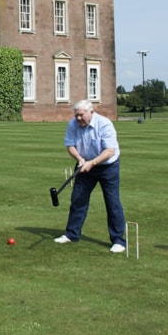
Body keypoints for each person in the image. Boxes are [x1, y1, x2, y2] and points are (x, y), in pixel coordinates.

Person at [55, 99, 127, 252]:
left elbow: (110, 151)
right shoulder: (73, 124)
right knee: (78, 199)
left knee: (112, 202)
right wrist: (80, 159)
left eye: (81, 115)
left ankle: (118, 240)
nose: (78, 118)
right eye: (76, 115)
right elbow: (70, 145)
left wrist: (92, 163)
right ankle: (72, 234)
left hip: (108, 166)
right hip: (84, 164)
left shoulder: (105, 124)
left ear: (91, 112)